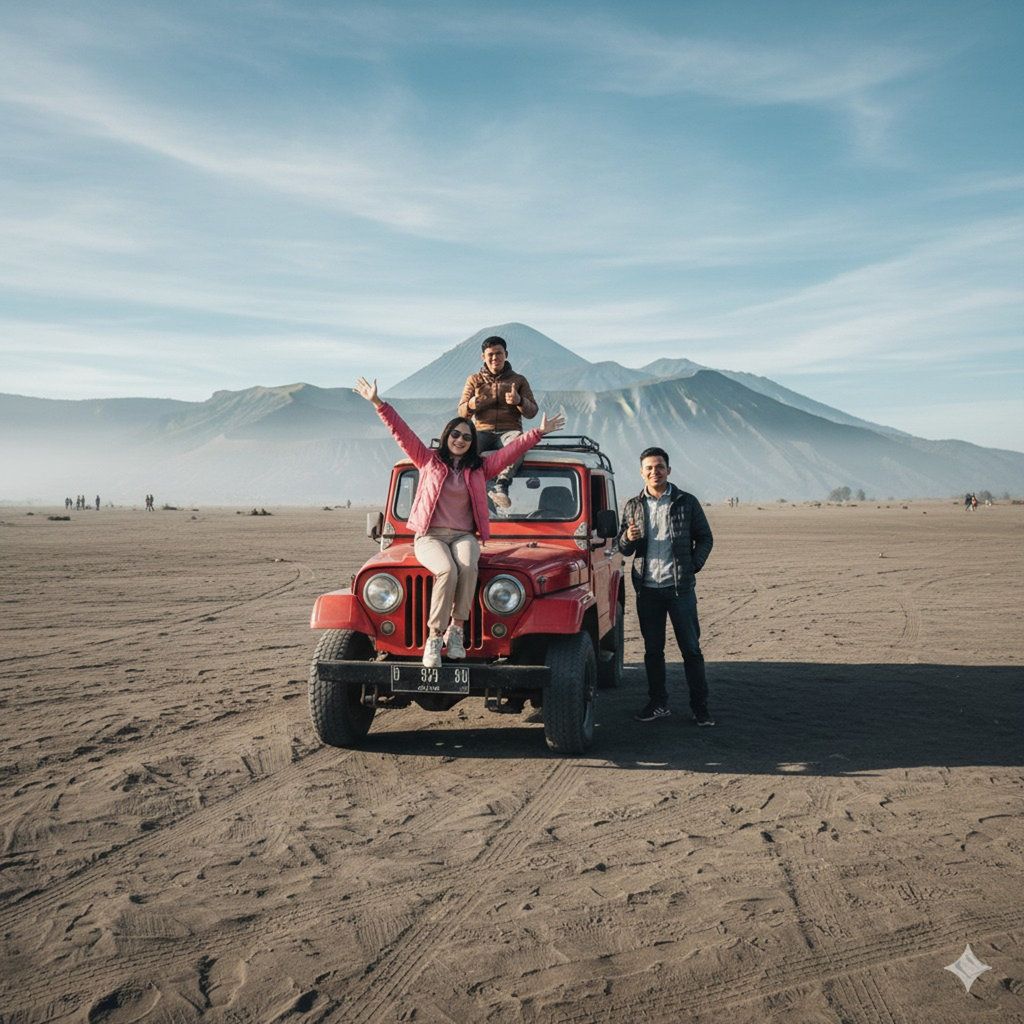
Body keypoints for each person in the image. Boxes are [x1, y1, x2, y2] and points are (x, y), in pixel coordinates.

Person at [355, 375, 565, 668]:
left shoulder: (480, 469)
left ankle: (457, 630)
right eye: (456, 434)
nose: (461, 440)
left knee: (468, 567)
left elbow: (508, 453)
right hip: (431, 536)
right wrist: (378, 402)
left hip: (464, 535)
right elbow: (401, 432)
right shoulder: (427, 461)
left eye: (467, 437)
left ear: (472, 443)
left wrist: (538, 432)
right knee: (446, 571)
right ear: (447, 436)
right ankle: (434, 638)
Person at [617, 446, 715, 725]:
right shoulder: (634, 505)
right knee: (652, 650)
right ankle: (658, 703)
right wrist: (628, 537)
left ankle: (700, 707)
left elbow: (705, 538)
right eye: (648, 468)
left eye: (659, 466)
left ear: (668, 470)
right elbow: (624, 549)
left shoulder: (686, 502)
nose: (654, 472)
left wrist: (692, 565)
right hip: (647, 589)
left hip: (679, 589)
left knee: (691, 649)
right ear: (641, 472)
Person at [458, 335, 539, 510]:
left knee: (519, 442)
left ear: (506, 354)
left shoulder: (519, 380)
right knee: (462, 447)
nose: (495, 358)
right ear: (483, 357)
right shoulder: (474, 380)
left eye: (499, 353)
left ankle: (502, 484)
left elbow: (533, 411)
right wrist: (472, 403)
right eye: (491, 354)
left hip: (509, 430)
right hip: (482, 430)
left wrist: (519, 401)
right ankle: (460, 490)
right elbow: (461, 412)